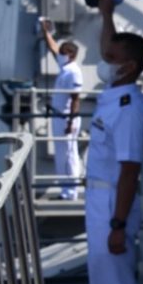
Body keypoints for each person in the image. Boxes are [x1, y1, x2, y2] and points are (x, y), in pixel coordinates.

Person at [70, 0, 143, 284]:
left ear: (129, 67)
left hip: (112, 206)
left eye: (112, 58)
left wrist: (119, 225)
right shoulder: (112, 94)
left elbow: (130, 169)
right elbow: (109, 44)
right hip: (99, 201)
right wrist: (106, 14)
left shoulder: (129, 106)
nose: (104, 61)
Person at [41, 19, 83, 199]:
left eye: (64, 52)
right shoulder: (65, 67)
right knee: (61, 155)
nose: (61, 54)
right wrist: (46, 32)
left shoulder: (73, 71)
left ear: (72, 55)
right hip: (58, 117)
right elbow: (53, 48)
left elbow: (75, 99)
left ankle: (71, 192)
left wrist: (71, 122)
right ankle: (65, 190)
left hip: (67, 118)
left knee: (69, 155)